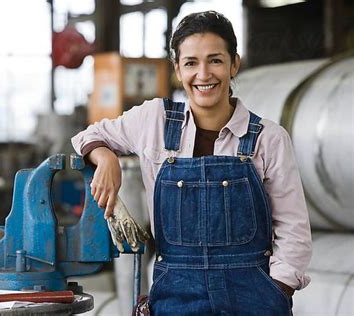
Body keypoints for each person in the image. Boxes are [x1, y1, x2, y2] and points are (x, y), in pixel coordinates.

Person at [71, 10, 312, 315]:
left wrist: (276, 292)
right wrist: (106, 157)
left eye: (215, 60)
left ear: (234, 63)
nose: (203, 74)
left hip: (253, 298)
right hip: (176, 296)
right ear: (177, 68)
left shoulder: (268, 138)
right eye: (191, 63)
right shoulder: (153, 120)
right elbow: (88, 135)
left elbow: (294, 231)